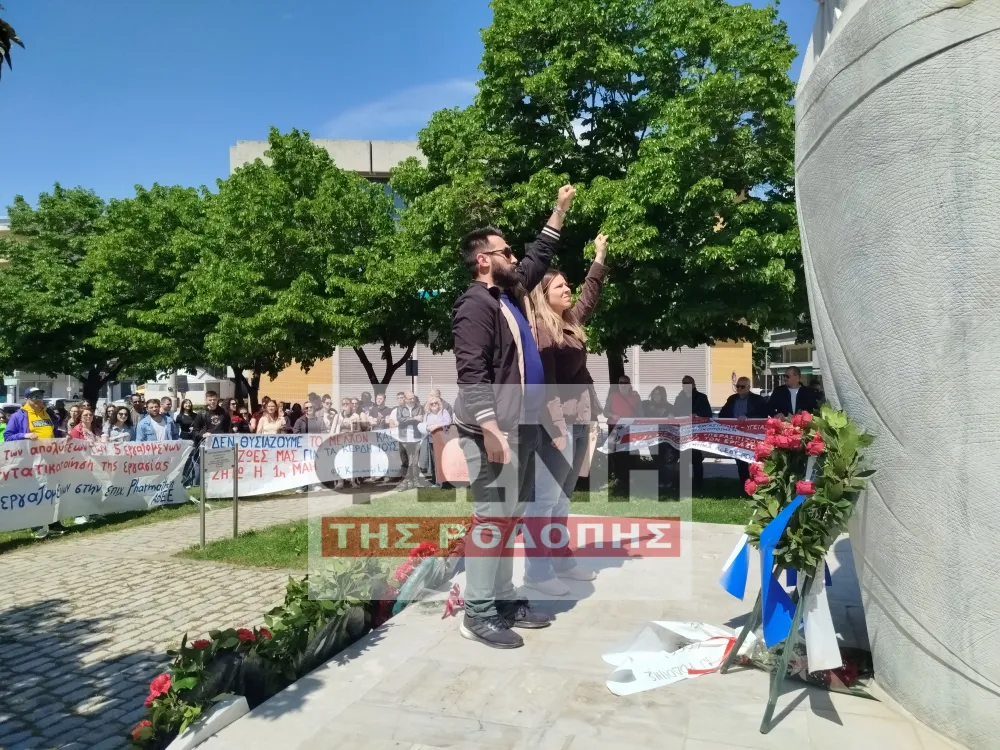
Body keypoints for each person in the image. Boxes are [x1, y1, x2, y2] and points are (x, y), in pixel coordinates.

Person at [452, 183, 575, 647]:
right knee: (492, 519)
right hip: (491, 429)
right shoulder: (474, 305)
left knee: (509, 518)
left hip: (521, 428)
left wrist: (558, 210)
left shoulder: (510, 294)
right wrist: (489, 429)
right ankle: (477, 613)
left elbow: (538, 256)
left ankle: (502, 601)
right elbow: (472, 372)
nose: (514, 257)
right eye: (505, 251)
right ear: (484, 259)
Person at [523, 233, 610, 595]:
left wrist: (599, 257)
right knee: (544, 500)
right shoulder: (542, 332)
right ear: (544, 294)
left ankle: (561, 559)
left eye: (567, 283)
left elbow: (589, 296)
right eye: (560, 285)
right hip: (553, 425)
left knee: (561, 498)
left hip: (578, 420)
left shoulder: (569, 322)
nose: (567, 288)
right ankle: (537, 572)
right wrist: (557, 429)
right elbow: (547, 387)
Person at [6, 388, 64, 538]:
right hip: (31, 461)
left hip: (50, 459)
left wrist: (64, 436)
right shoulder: (18, 416)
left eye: (40, 395)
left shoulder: (48, 413)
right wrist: (25, 435)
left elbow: (54, 433)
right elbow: (8, 436)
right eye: (34, 396)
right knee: (35, 491)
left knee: (52, 490)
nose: (38, 398)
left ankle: (53, 523)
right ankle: (37, 524)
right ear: (27, 399)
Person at [719, 376, 768, 485]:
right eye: (737, 386)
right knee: (740, 461)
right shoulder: (732, 399)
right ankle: (745, 486)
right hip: (736, 435)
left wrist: (747, 417)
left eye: (742, 386)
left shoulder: (758, 400)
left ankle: (757, 485)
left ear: (748, 387)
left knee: (755, 462)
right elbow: (722, 414)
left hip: (753, 435)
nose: (739, 389)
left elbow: (763, 414)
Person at [673, 375, 713, 493]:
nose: (686, 385)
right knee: (684, 459)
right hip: (683, 432)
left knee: (696, 459)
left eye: (689, 383)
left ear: (694, 385)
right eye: (684, 383)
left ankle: (699, 485)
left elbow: (708, 414)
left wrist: (697, 415)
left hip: (696, 433)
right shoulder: (679, 398)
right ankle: (685, 485)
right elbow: (675, 412)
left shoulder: (702, 397)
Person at [605, 376, 643, 491]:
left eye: (626, 382)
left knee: (632, 453)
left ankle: (633, 478)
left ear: (629, 384)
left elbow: (641, 413)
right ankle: (619, 478)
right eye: (621, 382)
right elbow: (605, 412)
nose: (623, 384)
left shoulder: (635, 397)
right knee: (617, 454)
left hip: (631, 428)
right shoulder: (612, 396)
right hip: (615, 428)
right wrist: (613, 415)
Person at [417, 396, 451, 486]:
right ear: (429, 406)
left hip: (443, 441)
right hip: (431, 440)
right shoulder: (427, 415)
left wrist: (435, 426)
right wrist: (428, 428)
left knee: (442, 460)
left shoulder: (444, 412)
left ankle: (445, 481)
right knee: (434, 461)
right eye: (431, 404)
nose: (434, 405)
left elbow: (448, 422)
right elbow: (425, 427)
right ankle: (436, 480)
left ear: (439, 404)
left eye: (436, 403)